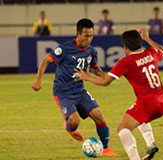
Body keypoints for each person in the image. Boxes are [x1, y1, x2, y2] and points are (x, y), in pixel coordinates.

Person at [74, 29, 163, 160]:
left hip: (148, 103)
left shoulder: (126, 62)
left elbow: (105, 81)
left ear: (125, 47)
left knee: (123, 128)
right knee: (137, 115)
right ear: (140, 42)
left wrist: (86, 77)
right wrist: (147, 38)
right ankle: (151, 143)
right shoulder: (151, 53)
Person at [32, 18, 119, 156]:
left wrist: (103, 74)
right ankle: (69, 128)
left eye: (91, 36)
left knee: (99, 116)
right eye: (86, 36)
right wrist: (38, 80)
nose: (89, 39)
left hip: (79, 90)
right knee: (75, 120)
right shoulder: (64, 49)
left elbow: (94, 68)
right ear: (78, 34)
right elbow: (46, 61)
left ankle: (106, 149)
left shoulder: (91, 51)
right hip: (63, 92)